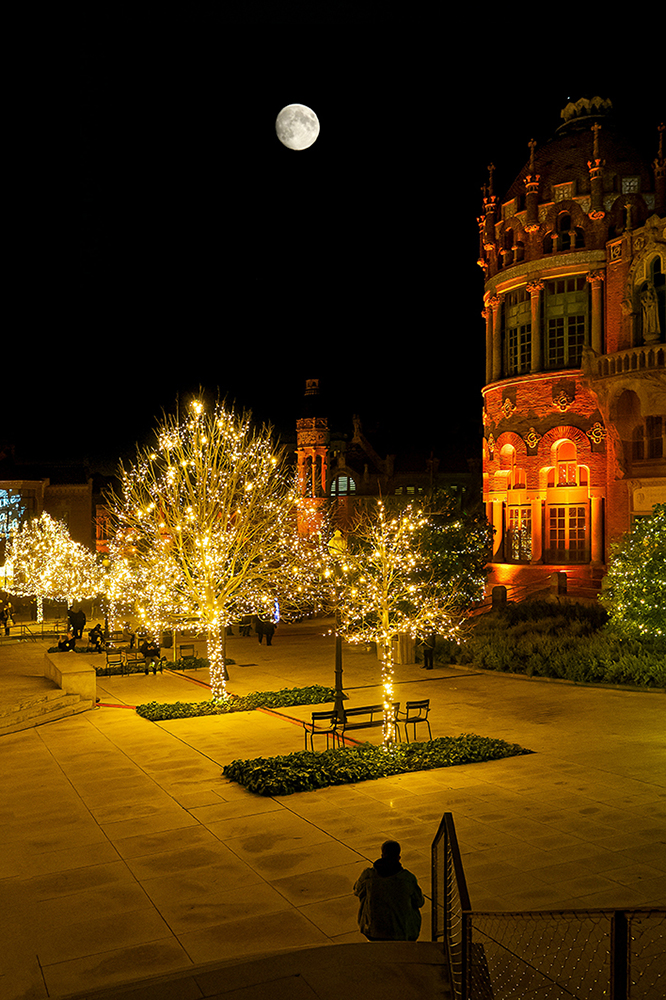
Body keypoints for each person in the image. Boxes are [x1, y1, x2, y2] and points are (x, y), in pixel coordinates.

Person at [353, 840, 424, 941]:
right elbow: (419, 902)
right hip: (401, 932)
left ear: (382, 855)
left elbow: (356, 890)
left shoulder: (368, 875)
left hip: (373, 931)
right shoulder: (407, 878)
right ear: (398, 857)